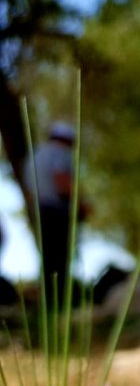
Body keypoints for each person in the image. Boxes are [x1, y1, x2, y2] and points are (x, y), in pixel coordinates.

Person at [29, 121, 83, 287]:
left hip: (40, 209)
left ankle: (48, 296)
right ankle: (59, 296)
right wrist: (81, 204)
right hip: (57, 210)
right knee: (60, 256)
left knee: (47, 256)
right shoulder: (61, 153)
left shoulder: (35, 155)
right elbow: (61, 180)